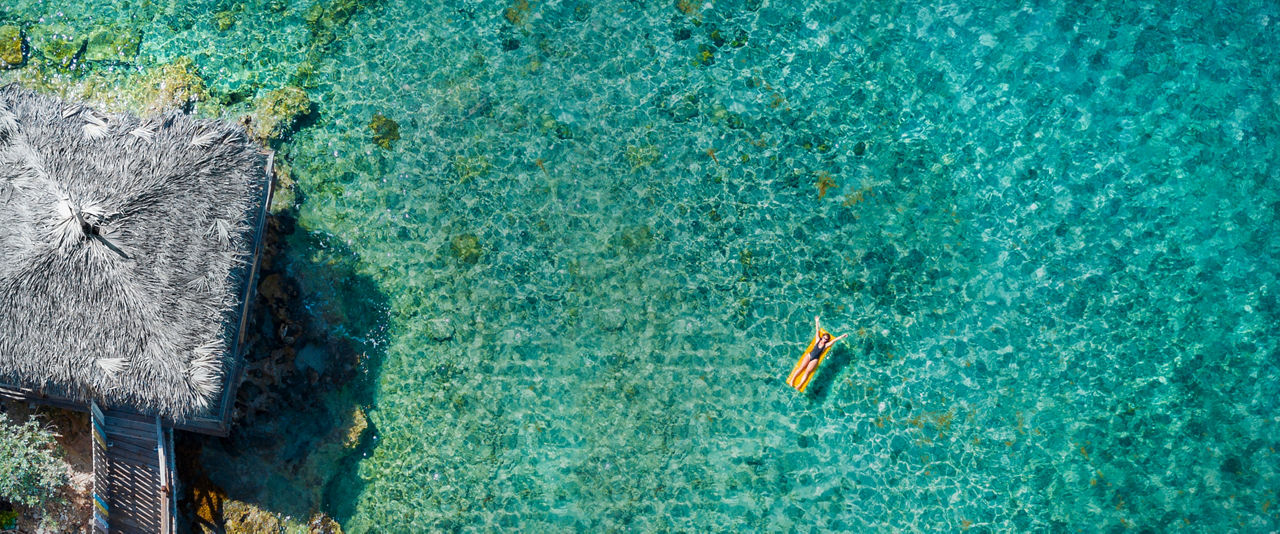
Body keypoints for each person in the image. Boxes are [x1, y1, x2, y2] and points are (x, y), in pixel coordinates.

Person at [787, 316, 848, 391]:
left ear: (827, 340)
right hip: (809, 355)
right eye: (824, 338)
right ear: (822, 337)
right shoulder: (817, 340)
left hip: (815, 359)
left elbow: (834, 340)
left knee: (807, 372)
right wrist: (817, 321)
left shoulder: (825, 346)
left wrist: (842, 336)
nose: (824, 339)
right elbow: (817, 330)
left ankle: (800, 385)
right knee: (801, 367)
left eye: (826, 339)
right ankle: (792, 380)